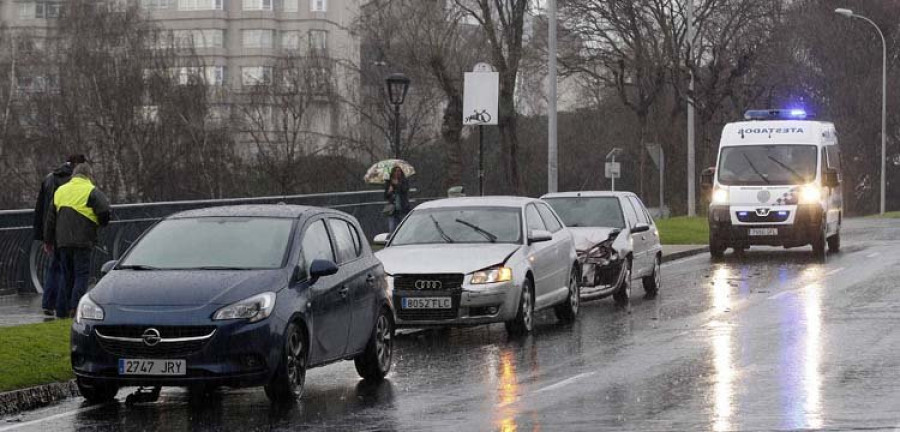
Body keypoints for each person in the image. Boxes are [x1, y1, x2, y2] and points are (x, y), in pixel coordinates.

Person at [44, 163, 110, 318]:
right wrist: (101, 224)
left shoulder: (61, 191)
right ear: (88, 175)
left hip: (63, 242)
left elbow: (50, 220)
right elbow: (104, 211)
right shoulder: (91, 191)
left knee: (66, 276)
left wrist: (48, 241)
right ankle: (76, 308)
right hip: (83, 241)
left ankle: (62, 311)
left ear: (74, 175)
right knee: (81, 275)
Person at [33, 154, 86, 316]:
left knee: (54, 268)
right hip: (67, 231)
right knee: (67, 270)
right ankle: (63, 306)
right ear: (78, 164)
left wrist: (43, 236)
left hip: (52, 230)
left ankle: (48, 303)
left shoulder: (49, 178)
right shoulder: (72, 181)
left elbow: (40, 209)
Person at [384, 166, 410, 233]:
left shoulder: (404, 181)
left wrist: (397, 185)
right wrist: (389, 191)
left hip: (402, 207)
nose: (397, 173)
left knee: (402, 227)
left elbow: (404, 190)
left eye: (399, 171)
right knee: (392, 228)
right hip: (392, 209)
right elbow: (385, 196)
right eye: (395, 171)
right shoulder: (389, 182)